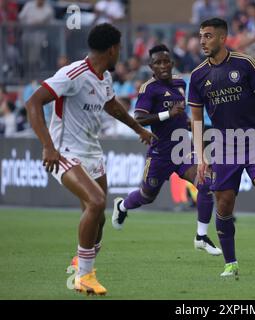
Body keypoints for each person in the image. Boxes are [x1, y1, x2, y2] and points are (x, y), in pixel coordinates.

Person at [25, 23, 157, 296]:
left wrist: (139, 130)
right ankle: (84, 276)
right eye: (119, 48)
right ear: (112, 49)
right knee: (96, 202)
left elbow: (111, 106)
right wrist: (47, 147)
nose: (120, 53)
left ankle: (79, 261)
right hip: (64, 153)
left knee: (98, 220)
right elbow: (33, 103)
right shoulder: (72, 74)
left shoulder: (103, 77)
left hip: (92, 153)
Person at [188, 18, 255, 278]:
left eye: (208, 36)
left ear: (222, 38)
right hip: (223, 145)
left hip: (254, 138)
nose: (203, 41)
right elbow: (196, 119)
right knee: (225, 203)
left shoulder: (245, 64)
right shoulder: (197, 76)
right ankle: (230, 262)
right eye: (201, 36)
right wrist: (201, 156)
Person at [111, 44, 222, 256]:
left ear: (172, 63)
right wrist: (167, 114)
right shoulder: (148, 89)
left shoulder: (181, 84)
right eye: (158, 63)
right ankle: (122, 206)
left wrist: (192, 124)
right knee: (146, 195)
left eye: (166, 61)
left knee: (205, 184)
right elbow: (140, 118)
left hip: (182, 149)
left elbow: (181, 115)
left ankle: (201, 236)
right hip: (159, 154)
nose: (163, 66)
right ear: (151, 67)